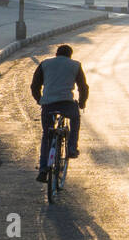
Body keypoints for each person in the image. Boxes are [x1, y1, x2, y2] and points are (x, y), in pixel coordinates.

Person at [30, 45, 89, 183]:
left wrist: (40, 100)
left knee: (47, 135)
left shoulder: (45, 64)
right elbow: (83, 87)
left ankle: (43, 168)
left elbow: (34, 86)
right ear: (70, 55)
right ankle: (72, 148)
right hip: (66, 103)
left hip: (48, 104)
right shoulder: (75, 65)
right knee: (75, 118)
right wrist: (81, 103)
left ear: (56, 54)